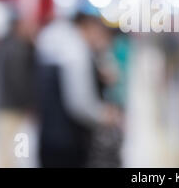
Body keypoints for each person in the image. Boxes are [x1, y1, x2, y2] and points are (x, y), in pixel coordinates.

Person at [35, 13, 119, 168]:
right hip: (67, 141)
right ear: (89, 27)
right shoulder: (76, 51)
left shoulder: (58, 42)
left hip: (49, 136)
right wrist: (103, 115)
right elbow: (79, 103)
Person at [0, 18, 36, 167]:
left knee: (6, 145)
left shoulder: (1, 45)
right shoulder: (18, 48)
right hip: (14, 105)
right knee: (15, 147)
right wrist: (29, 103)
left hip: (1, 102)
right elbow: (19, 79)